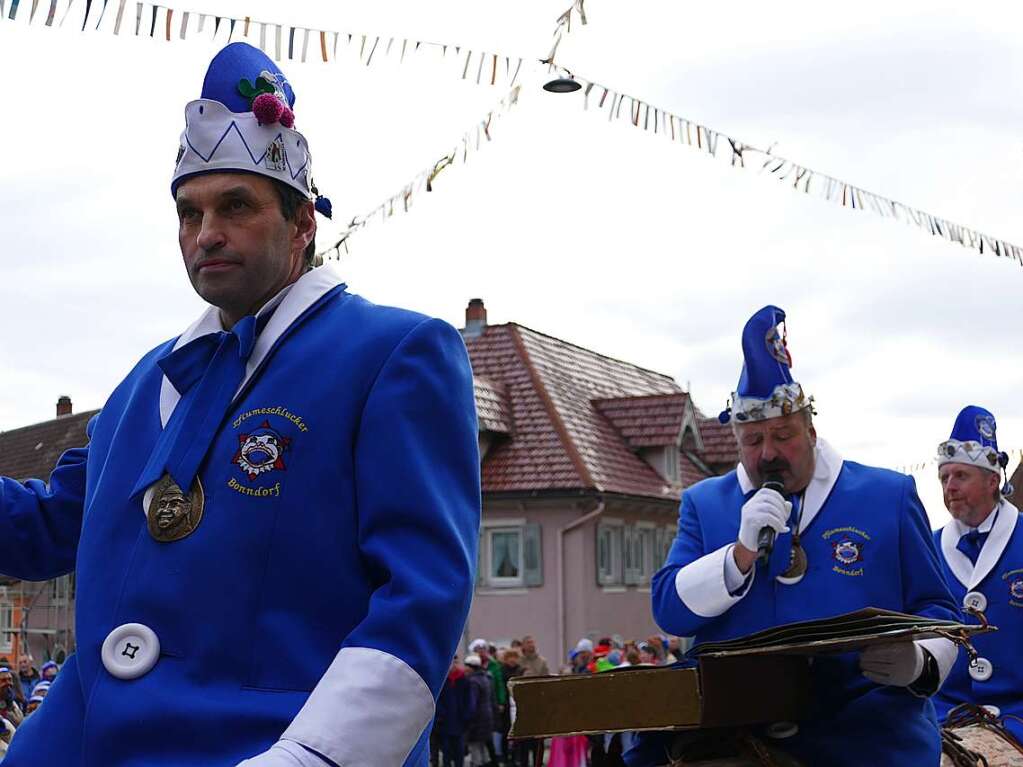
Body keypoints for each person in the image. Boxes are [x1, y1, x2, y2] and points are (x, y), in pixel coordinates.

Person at [0, 42, 480, 766]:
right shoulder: (142, 384)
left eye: (235, 206)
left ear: (302, 224)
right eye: (188, 213)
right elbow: (46, 528)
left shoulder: (393, 353)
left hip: (269, 746)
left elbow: (422, 598)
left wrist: (307, 758)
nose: (206, 233)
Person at [644, 305, 960, 766]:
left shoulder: (888, 495)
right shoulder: (705, 502)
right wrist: (739, 555)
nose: (769, 453)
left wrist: (921, 662)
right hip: (736, 729)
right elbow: (669, 611)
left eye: (783, 435)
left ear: (811, 430)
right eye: (753, 441)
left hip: (867, 728)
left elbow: (939, 609)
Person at [931, 406, 1023, 741]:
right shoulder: (927, 548)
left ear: (993, 480)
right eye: (944, 477)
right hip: (944, 717)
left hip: (1019, 715)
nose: (950, 486)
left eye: (961, 476)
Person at [463, 654, 495, 767]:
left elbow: (472, 704)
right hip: (487, 717)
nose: (464, 669)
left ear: (471, 667)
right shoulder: (486, 678)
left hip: (477, 720)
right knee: (483, 748)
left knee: (475, 748)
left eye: (466, 666)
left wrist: (467, 718)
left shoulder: (473, 682)